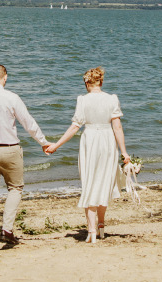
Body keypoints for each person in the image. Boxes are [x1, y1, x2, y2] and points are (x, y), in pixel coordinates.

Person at [0, 63, 51, 249]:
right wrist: (43, 142)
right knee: (15, 188)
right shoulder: (12, 98)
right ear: (5, 78)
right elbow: (28, 123)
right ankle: (7, 228)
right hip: (10, 150)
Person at [46, 66, 130, 243]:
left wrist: (56, 145)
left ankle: (91, 230)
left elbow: (75, 127)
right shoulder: (112, 99)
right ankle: (101, 225)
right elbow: (118, 127)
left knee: (90, 183)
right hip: (107, 141)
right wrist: (124, 153)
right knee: (103, 183)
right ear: (101, 81)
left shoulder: (82, 100)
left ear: (86, 83)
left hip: (90, 141)